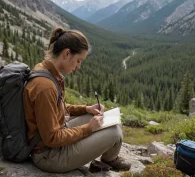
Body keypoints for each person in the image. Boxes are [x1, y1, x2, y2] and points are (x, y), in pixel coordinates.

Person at [23, 27, 131, 173]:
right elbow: (52, 138)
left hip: (56, 141)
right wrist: (89, 128)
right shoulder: (45, 86)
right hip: (49, 155)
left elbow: (55, 106)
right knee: (114, 133)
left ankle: (108, 160)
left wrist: (86, 109)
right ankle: (108, 159)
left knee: (110, 119)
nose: (79, 66)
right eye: (78, 60)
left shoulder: (46, 70)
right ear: (67, 53)